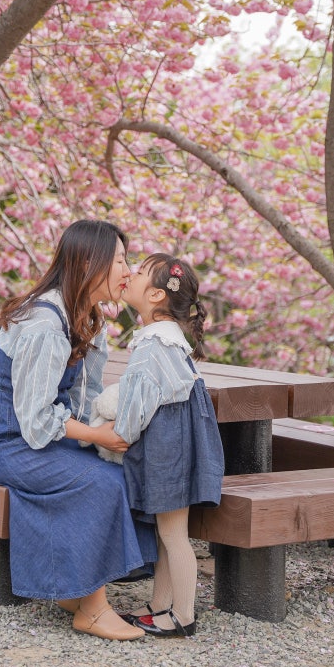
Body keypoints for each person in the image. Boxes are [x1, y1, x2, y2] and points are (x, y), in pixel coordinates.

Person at [0, 219, 157, 641]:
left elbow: (81, 395)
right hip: (7, 444)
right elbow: (36, 424)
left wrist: (110, 428)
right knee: (101, 482)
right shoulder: (43, 324)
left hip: (37, 440)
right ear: (90, 263)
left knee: (123, 469)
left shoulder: (85, 316)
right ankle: (90, 610)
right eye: (120, 261)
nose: (128, 271)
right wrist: (99, 438)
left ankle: (74, 591)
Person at [115, 253, 225, 638]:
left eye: (139, 273)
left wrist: (117, 435)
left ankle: (183, 614)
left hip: (169, 443)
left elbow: (137, 407)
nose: (128, 274)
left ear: (158, 294)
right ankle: (160, 604)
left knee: (175, 535)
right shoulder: (166, 339)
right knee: (167, 531)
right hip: (176, 439)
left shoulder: (154, 345)